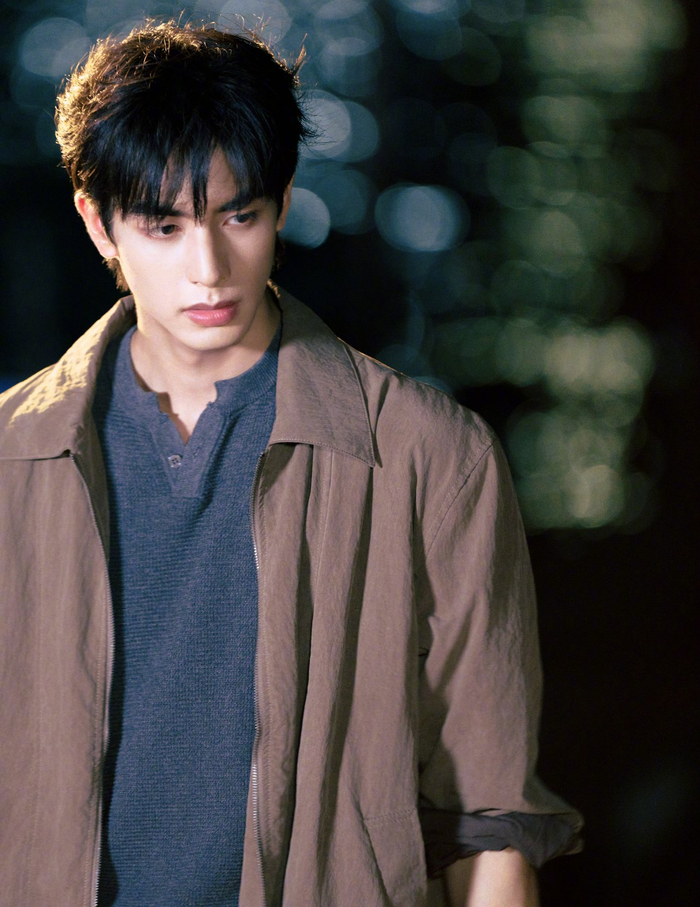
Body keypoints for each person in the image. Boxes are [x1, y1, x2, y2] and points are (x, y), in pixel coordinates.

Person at [0, 20, 582, 907]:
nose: (208, 267)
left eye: (240, 215)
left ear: (282, 202)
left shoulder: (431, 458)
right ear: (98, 223)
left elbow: (490, 820)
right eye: (164, 226)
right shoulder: (14, 460)